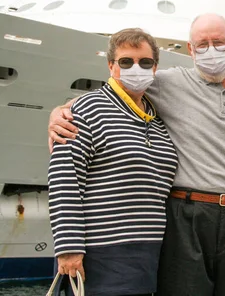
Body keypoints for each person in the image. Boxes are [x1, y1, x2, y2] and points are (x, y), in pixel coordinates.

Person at [49, 14, 225, 295]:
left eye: (218, 42)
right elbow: (114, 92)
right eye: (202, 44)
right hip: (177, 219)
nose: (137, 69)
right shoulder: (165, 84)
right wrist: (60, 110)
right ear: (191, 50)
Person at [47, 28, 178, 296]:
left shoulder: (157, 121)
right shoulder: (85, 110)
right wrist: (69, 249)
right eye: (126, 61)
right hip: (99, 258)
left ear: (155, 67)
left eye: (145, 62)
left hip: (147, 258)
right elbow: (64, 179)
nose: (136, 68)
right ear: (110, 65)